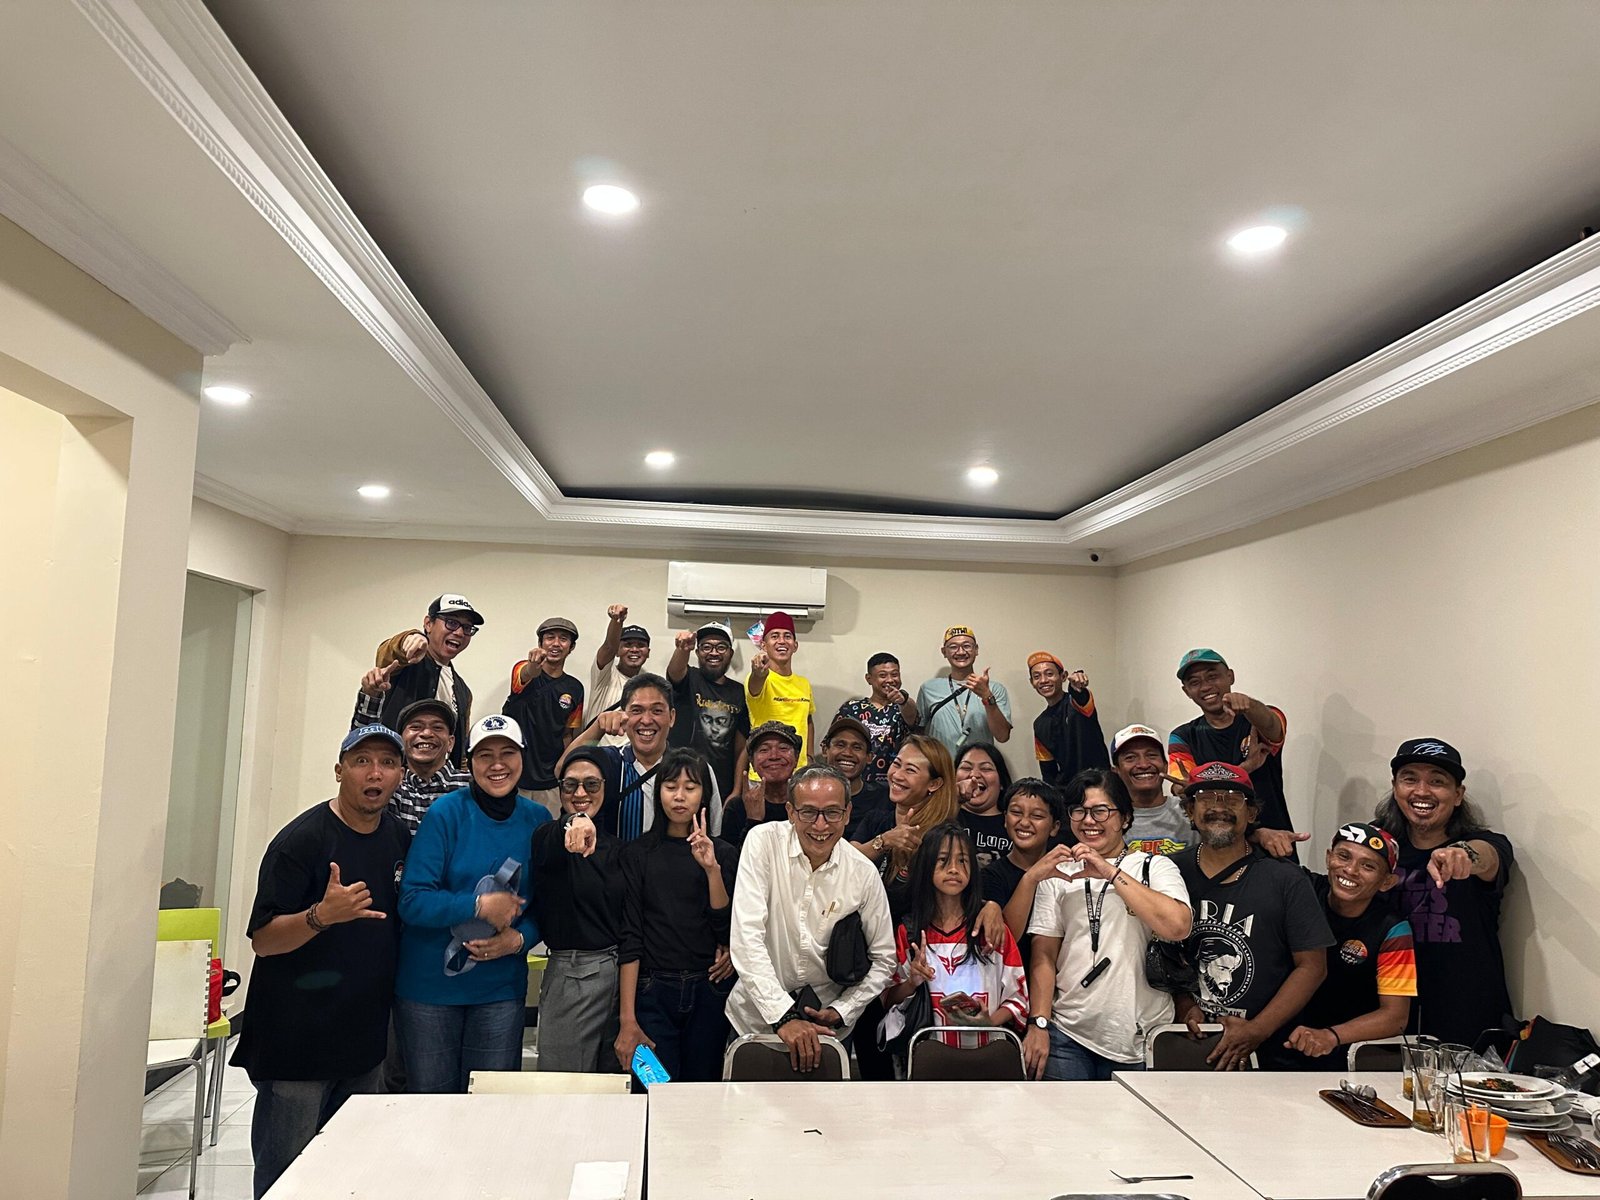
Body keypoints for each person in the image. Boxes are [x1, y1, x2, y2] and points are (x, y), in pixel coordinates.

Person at [232, 724, 411, 1198]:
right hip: (297, 1045)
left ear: (400, 775)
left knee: (348, 1171)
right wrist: (321, 916)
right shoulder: (301, 841)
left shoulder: (397, 836)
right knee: (286, 1178)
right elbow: (263, 940)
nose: (375, 773)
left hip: (364, 1041)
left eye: (387, 763)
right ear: (339, 771)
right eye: (361, 761)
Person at [393, 715, 549, 1092]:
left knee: (490, 1105)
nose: (497, 764)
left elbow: (546, 904)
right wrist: (478, 906)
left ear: (523, 757)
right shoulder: (446, 813)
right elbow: (412, 900)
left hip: (500, 989)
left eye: (507, 753)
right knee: (432, 1106)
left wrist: (520, 940)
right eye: (485, 755)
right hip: (430, 990)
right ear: (469, 763)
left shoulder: (538, 820)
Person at [1023, 768, 1193, 1080]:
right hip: (1067, 1034)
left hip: (1142, 1035)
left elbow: (1178, 926)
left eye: (1101, 811)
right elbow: (1044, 955)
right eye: (1079, 811)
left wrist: (1109, 871)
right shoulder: (1058, 874)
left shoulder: (1153, 866)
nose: (1089, 820)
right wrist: (1039, 1023)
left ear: (1125, 818)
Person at [726, 764, 897, 1071]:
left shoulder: (862, 873)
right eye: (808, 812)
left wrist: (844, 1009)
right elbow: (746, 938)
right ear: (791, 812)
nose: (820, 825)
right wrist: (784, 1016)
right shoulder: (762, 843)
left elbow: (884, 959)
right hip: (756, 1020)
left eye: (832, 812)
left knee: (825, 1103)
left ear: (847, 813)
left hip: (826, 1030)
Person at [1171, 762, 1333, 1070]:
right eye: (1207, 798)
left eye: (1233, 798)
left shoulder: (1287, 880)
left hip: (1271, 1053)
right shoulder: (1169, 872)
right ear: (1190, 811)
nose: (1219, 807)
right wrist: (1183, 1004)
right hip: (1187, 1044)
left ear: (1252, 814)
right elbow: (1163, 953)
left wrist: (1258, 1029)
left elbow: (1313, 967)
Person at [1373, 738, 1513, 1046]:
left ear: (1458, 794)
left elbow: (1487, 857)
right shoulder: (1378, 846)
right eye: (1410, 779)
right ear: (1395, 787)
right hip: (1387, 1020)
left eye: (1437, 781)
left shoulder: (1486, 843)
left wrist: (1461, 855)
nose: (1422, 791)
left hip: (1468, 1025)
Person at [614, 749, 740, 1082]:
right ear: (659, 793)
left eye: (690, 787)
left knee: (702, 1090)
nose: (680, 796)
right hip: (651, 991)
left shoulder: (724, 854)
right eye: (671, 786)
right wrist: (627, 1018)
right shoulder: (637, 853)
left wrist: (711, 870)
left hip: (709, 990)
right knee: (653, 1087)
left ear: (704, 794)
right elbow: (631, 936)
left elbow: (726, 931)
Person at [1280, 823, 1416, 1067]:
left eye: (1368, 866)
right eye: (1343, 856)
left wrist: (1330, 1036)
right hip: (1277, 1043)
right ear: (1328, 858)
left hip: (1346, 1056)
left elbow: (1395, 1017)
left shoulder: (1394, 929)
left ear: (1386, 882)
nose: (1351, 870)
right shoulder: (1302, 888)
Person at [882, 824, 1028, 1048]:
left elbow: (1019, 997)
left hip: (988, 1052)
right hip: (928, 1054)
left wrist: (989, 1022)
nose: (953, 869)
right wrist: (912, 982)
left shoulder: (991, 929)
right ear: (926, 865)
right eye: (943, 860)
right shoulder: (909, 931)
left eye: (962, 861)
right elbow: (888, 999)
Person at [528, 747, 625, 1073]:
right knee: (564, 1083)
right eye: (570, 785)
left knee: (621, 1079)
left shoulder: (618, 848)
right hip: (573, 974)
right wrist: (575, 821)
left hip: (624, 976)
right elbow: (556, 836)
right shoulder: (548, 837)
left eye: (591, 784)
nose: (580, 793)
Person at [561, 672, 724, 842]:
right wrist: (598, 728)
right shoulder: (610, 762)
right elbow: (563, 768)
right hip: (616, 858)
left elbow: (714, 834)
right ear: (624, 715)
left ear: (672, 717)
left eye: (657, 711)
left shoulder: (695, 770)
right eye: (637, 710)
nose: (646, 720)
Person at [1168, 649, 1301, 855]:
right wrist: (1245, 768)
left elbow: (1273, 726)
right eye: (1195, 682)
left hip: (1274, 843)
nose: (1205, 686)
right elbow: (1183, 787)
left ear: (1230, 676)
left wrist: (1249, 705)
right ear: (1186, 691)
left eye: (1212, 676)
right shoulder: (1182, 736)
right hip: (1216, 847)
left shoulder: (1258, 719)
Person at [355, 594, 483, 766]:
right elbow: (388, 653)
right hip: (393, 773)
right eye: (451, 623)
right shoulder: (408, 662)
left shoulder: (463, 690)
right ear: (428, 624)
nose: (459, 633)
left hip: (438, 779)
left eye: (467, 628)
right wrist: (410, 638)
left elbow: (460, 746)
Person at [850, 734, 962, 908]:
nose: (897, 775)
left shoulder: (943, 835)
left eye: (910, 770)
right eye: (896, 764)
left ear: (934, 784)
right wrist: (884, 841)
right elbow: (847, 862)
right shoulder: (875, 819)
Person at [502, 616, 586, 816]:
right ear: (541, 643)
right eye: (550, 637)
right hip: (515, 777)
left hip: (550, 781)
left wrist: (565, 770)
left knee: (547, 830)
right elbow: (528, 673)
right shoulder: (521, 669)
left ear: (571, 647)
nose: (556, 643)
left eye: (563, 639)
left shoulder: (575, 688)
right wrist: (533, 665)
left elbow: (568, 734)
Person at [665, 622, 749, 803]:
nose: (714, 652)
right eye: (706, 647)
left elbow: (741, 747)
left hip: (722, 787)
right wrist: (682, 650)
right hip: (682, 782)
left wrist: (737, 790)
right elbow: (674, 672)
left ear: (730, 653)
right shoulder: (689, 678)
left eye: (721, 647)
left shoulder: (738, 692)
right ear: (697, 652)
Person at [984, 779, 1072, 944]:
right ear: (1005, 819)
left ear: (1054, 827)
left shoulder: (1067, 873)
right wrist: (1030, 878)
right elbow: (1003, 941)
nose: (1024, 822)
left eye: (1037, 816)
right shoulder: (990, 876)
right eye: (1016, 812)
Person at [916, 625, 1012, 755]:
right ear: (944, 652)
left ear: (976, 650)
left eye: (967, 646)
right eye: (953, 647)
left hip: (978, 765)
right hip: (941, 766)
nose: (961, 652)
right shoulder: (928, 689)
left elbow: (1003, 736)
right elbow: (918, 733)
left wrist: (987, 696)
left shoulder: (994, 689)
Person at [382, 698, 469, 834]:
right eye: (416, 727)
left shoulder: (472, 786)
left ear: (450, 743)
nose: (426, 734)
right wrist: (372, 696)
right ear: (401, 740)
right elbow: (361, 749)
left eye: (437, 727)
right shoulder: (391, 787)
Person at [744, 611, 815, 778]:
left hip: (798, 773)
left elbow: (808, 720)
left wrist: (809, 757)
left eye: (787, 636)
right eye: (775, 636)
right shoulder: (759, 678)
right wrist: (758, 672)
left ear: (795, 645)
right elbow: (756, 682)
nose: (781, 641)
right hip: (763, 773)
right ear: (764, 645)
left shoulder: (804, 683)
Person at [835, 653, 918, 785]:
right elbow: (833, 744)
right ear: (869, 679)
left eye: (895, 674)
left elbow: (911, 714)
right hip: (853, 783)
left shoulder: (903, 708)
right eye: (883, 675)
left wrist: (903, 701)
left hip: (894, 784)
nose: (890, 680)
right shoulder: (851, 708)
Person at [1027, 653, 1108, 785]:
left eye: (1049, 674)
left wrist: (1076, 686)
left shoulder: (1077, 704)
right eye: (1037, 676)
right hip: (1068, 791)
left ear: (1063, 676)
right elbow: (1048, 771)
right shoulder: (1039, 724)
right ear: (1032, 683)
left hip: (1099, 784)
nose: (1043, 680)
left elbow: (1080, 696)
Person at [1112, 724, 1192, 856]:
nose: (1143, 765)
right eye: (1130, 757)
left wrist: (1199, 797)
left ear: (1165, 766)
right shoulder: (1108, 818)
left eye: (1151, 755)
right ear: (1116, 771)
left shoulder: (1190, 809)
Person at [722, 720, 799, 848]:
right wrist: (753, 820)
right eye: (764, 750)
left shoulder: (808, 804)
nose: (774, 756)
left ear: (796, 758)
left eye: (783, 748)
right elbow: (733, 858)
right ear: (752, 762)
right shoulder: (737, 807)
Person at [590, 605, 652, 749]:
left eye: (640, 645)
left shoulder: (650, 685)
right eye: (628, 645)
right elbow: (609, 647)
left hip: (632, 756)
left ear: (648, 652)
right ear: (618, 651)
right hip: (598, 754)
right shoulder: (605, 674)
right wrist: (617, 621)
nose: (634, 649)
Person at [823, 715, 891, 840]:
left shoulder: (884, 798)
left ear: (869, 757)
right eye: (840, 745)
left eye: (857, 747)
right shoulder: (808, 796)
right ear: (825, 750)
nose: (847, 753)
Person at [954, 742, 1015, 871]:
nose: (974, 775)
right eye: (966, 768)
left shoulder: (1014, 823)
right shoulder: (942, 816)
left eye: (986, 769)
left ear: (1001, 782)